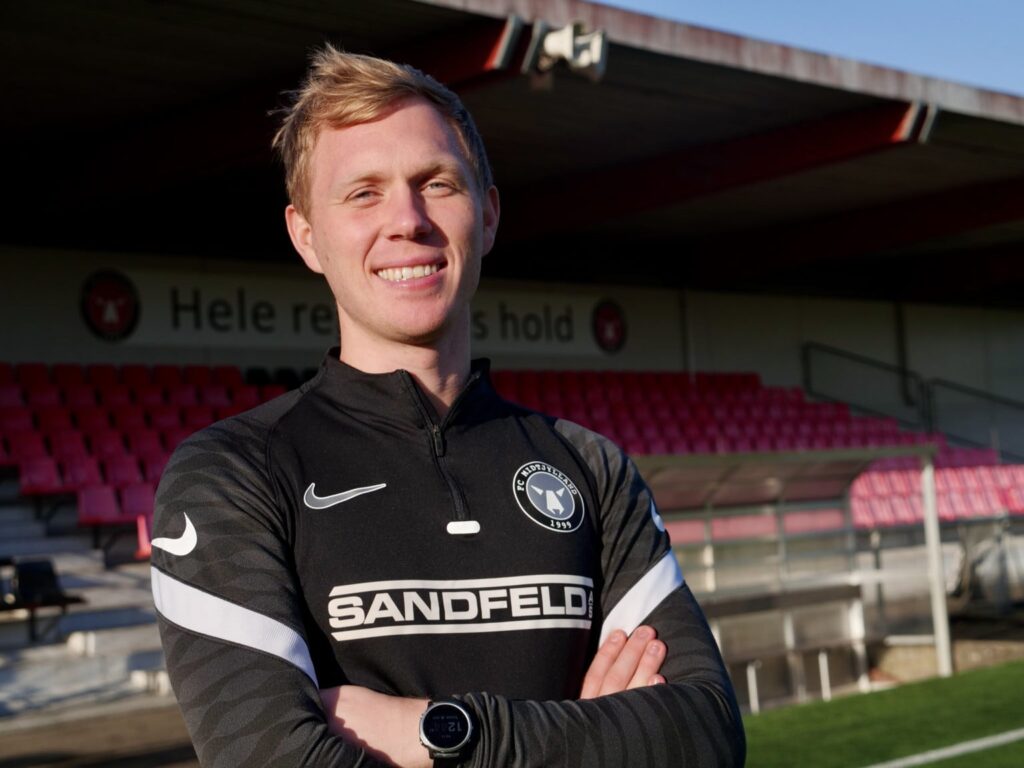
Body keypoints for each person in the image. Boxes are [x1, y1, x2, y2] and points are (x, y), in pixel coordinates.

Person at [151, 45, 745, 767]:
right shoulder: (232, 474)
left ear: (487, 216)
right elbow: (273, 759)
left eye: (436, 183)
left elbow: (706, 734)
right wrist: (592, 736)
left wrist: (441, 732)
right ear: (306, 236)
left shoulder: (591, 468)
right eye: (363, 193)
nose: (407, 220)